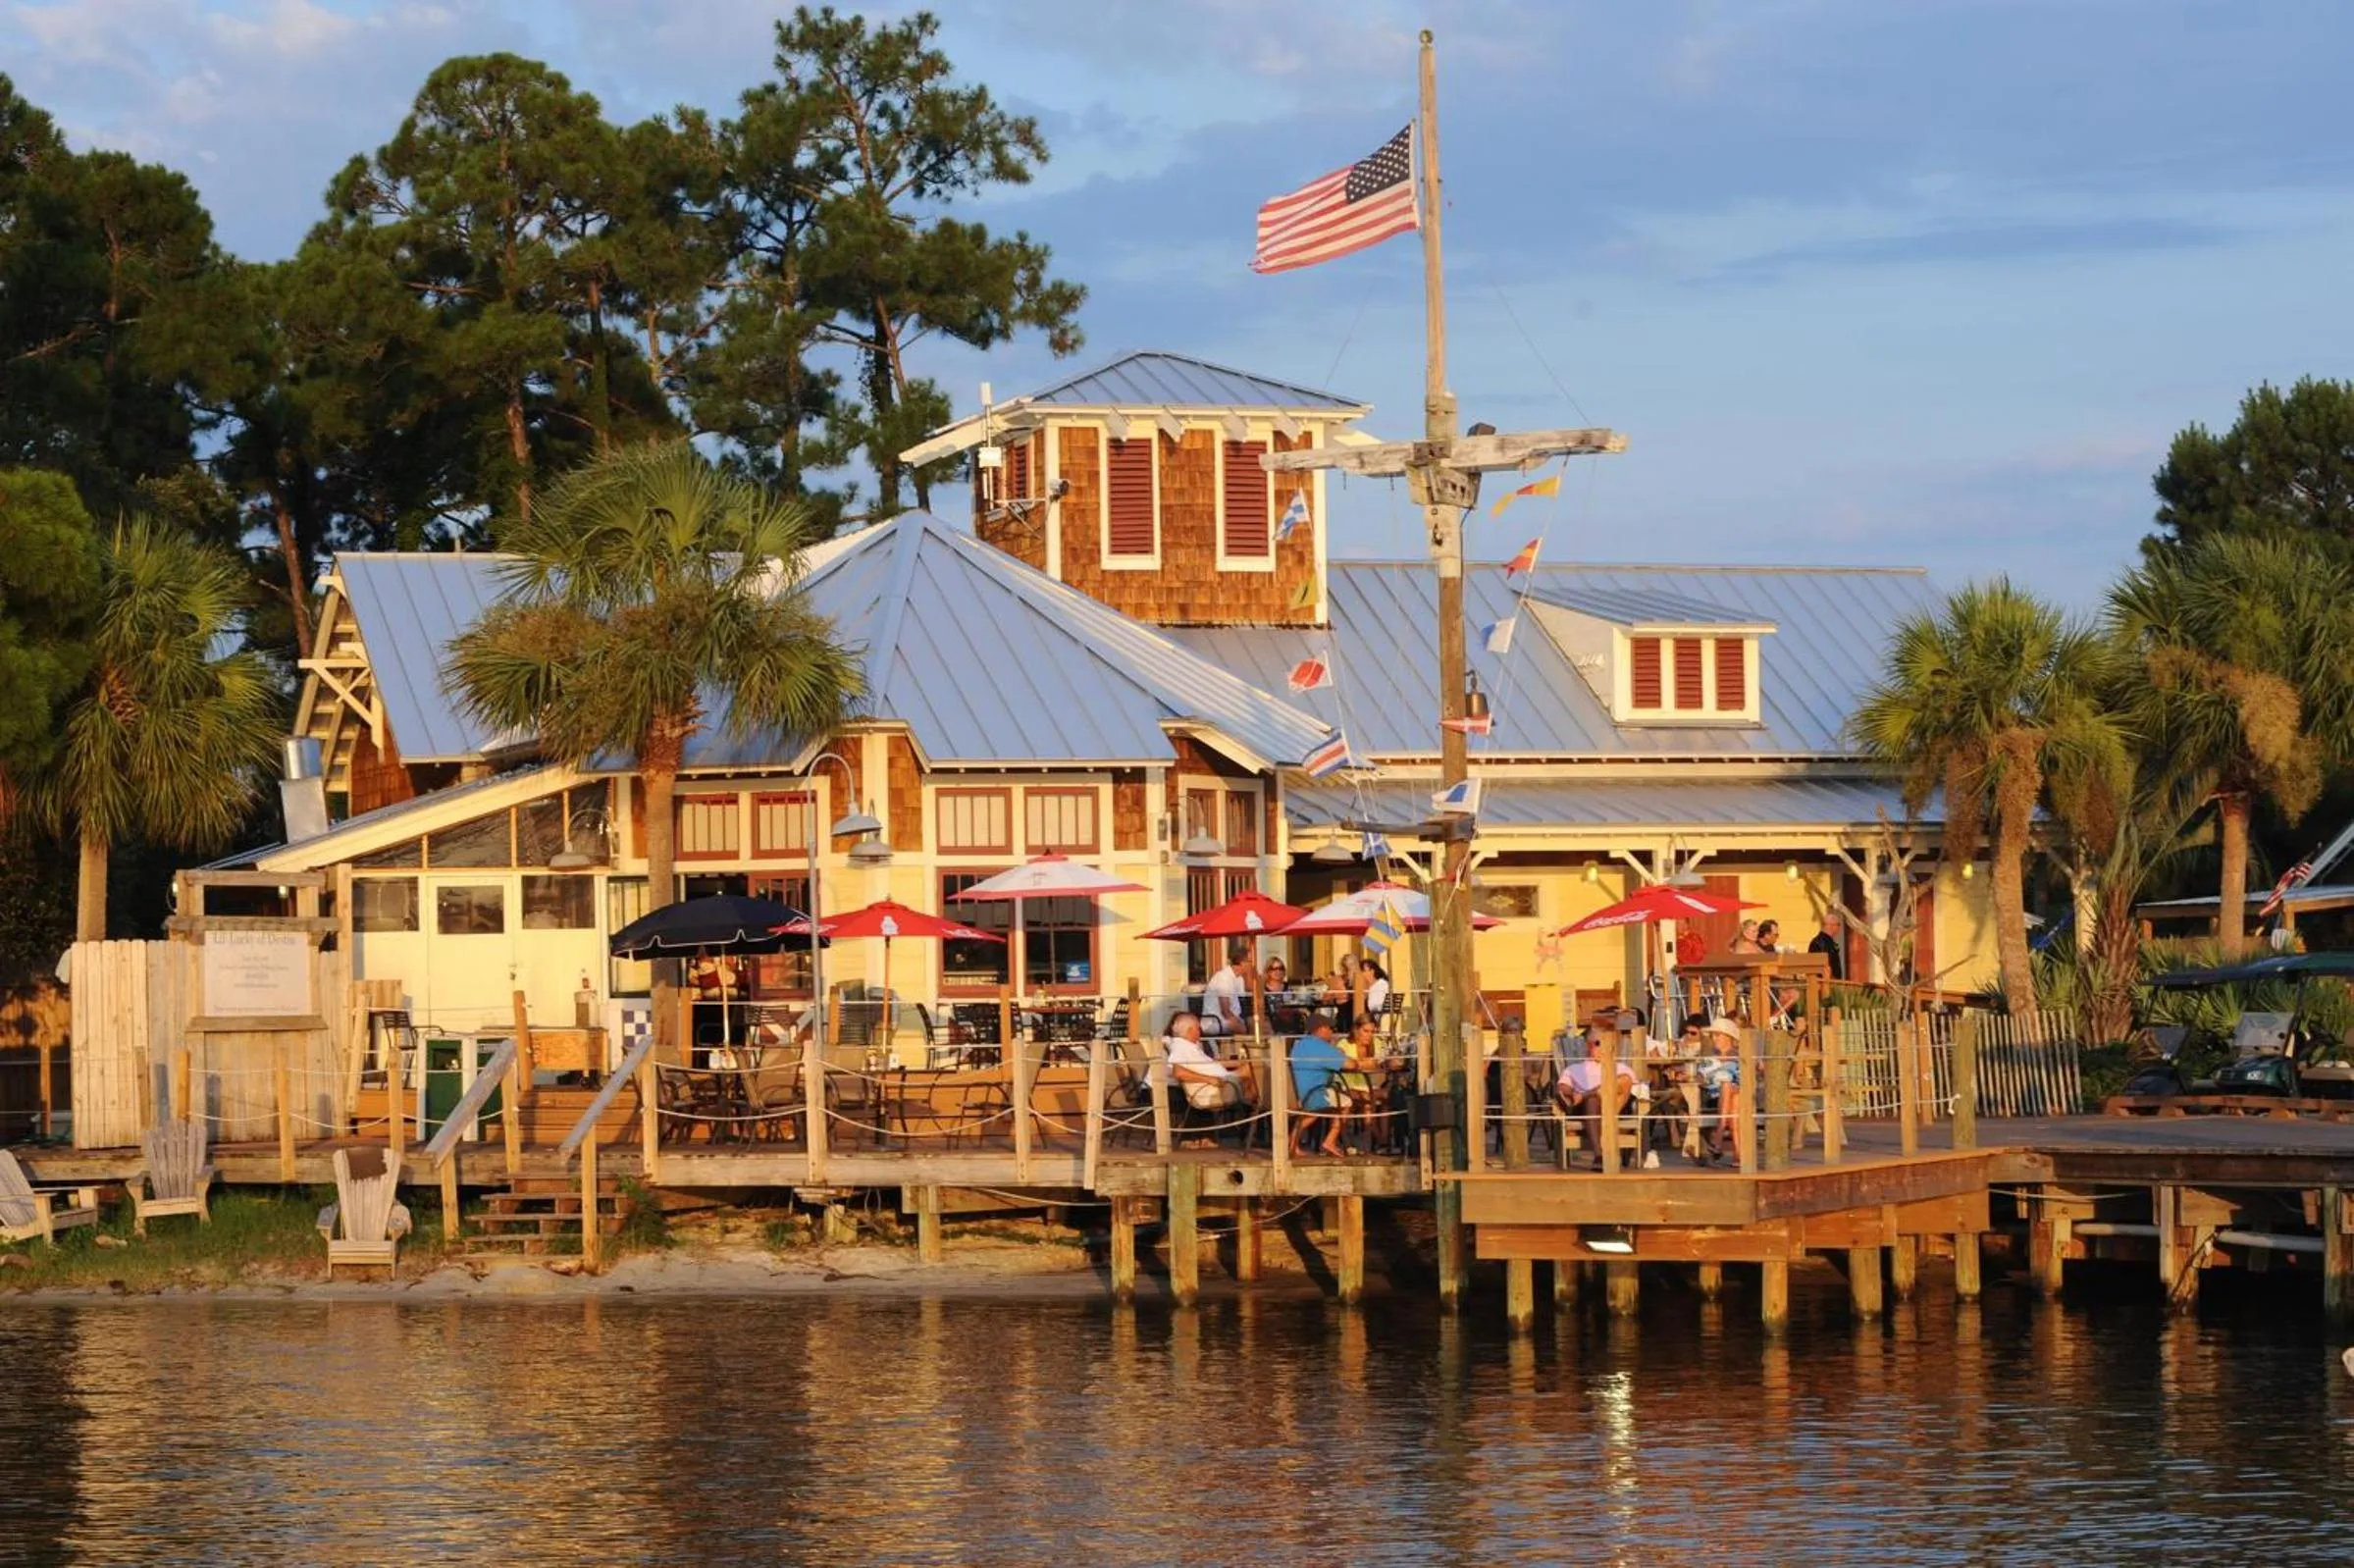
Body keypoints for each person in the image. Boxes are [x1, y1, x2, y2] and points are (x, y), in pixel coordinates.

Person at [1554, 1019, 1643, 1167]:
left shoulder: (1621, 1068)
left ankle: (1588, 1095)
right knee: (1592, 1101)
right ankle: (1599, 1155)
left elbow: (1630, 1089)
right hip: (1585, 1110)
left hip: (1616, 1108)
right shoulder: (1574, 1069)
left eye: (1604, 1043)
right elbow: (1563, 1087)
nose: (1601, 1048)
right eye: (1597, 1043)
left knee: (1623, 1080)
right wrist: (1573, 1092)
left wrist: (1584, 1094)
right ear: (1588, 1045)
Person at [1163, 1012, 1254, 1146]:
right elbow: (1178, 1072)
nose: (1200, 1031)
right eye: (1198, 1028)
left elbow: (1210, 1065)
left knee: (1252, 1070)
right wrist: (1208, 1079)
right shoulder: (1180, 1047)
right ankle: (1259, 1126)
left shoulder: (1189, 1045)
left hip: (1222, 1082)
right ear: (1190, 1030)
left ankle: (1252, 1126)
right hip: (1215, 1088)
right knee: (1255, 1074)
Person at [1288, 1017, 1349, 1157]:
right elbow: (1348, 1064)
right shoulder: (1320, 1046)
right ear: (1321, 1029)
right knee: (1346, 1101)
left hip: (1297, 1092)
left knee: (1316, 1109)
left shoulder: (1300, 1045)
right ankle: (1330, 1141)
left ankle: (1291, 1144)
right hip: (1314, 1093)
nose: (1331, 1032)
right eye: (1329, 1028)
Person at [1693, 1015, 1745, 1163]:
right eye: (1713, 1035)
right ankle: (1738, 1155)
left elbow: (1746, 1080)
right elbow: (1701, 1079)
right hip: (1714, 1098)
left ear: (1728, 1037)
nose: (1714, 1039)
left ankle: (1718, 1140)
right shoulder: (1708, 1059)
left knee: (1733, 1095)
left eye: (1717, 1035)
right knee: (1728, 1090)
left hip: (1739, 1095)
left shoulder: (1740, 1057)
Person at [1202, 944, 1251, 1037]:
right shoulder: (1224, 977)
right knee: (1248, 1029)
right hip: (1215, 1020)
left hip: (1232, 1017)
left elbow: (1242, 1004)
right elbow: (1225, 1011)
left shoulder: (1239, 978)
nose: (1252, 964)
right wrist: (1240, 1025)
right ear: (1242, 962)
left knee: (1262, 1024)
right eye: (1250, 961)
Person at [1808, 912, 1847, 982]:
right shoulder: (1820, 943)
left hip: (1826, 982)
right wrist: (1833, 981)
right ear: (1831, 926)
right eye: (1838, 925)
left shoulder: (1822, 941)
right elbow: (1824, 965)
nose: (1839, 928)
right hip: (1826, 983)